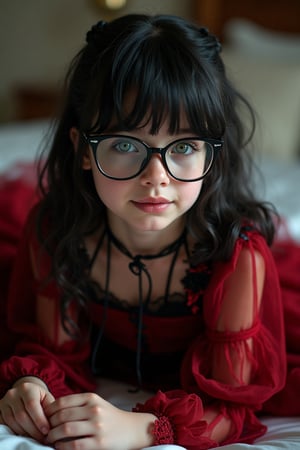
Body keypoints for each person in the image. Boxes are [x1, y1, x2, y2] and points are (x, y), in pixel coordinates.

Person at [0, 13, 287, 450]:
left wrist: (148, 428)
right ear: (81, 149)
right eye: (125, 145)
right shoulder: (57, 231)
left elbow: (232, 409)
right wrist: (35, 385)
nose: (157, 177)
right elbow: (52, 351)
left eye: (186, 146)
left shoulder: (236, 256)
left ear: (213, 155)